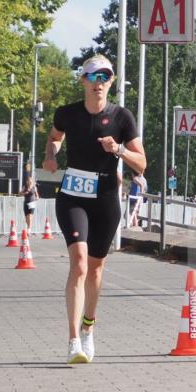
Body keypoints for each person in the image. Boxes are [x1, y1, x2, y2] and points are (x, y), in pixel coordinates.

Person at [43, 55, 146, 364]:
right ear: (83, 81)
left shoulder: (122, 117)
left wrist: (119, 150)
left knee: (97, 267)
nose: (99, 82)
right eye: (93, 76)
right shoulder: (67, 114)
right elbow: (54, 138)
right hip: (73, 194)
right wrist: (51, 155)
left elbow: (141, 164)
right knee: (79, 263)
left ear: (111, 81)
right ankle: (73, 340)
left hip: (105, 198)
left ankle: (89, 327)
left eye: (105, 76)